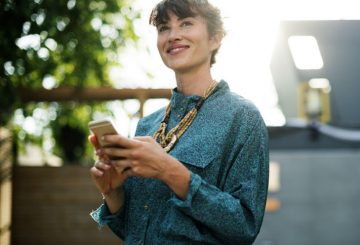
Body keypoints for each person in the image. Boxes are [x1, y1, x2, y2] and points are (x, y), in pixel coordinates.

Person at [89, 0, 269, 244]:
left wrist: (169, 170)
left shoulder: (243, 118)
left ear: (215, 38)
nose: (173, 35)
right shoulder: (146, 126)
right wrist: (113, 192)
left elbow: (244, 226)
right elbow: (131, 230)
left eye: (186, 23)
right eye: (164, 28)